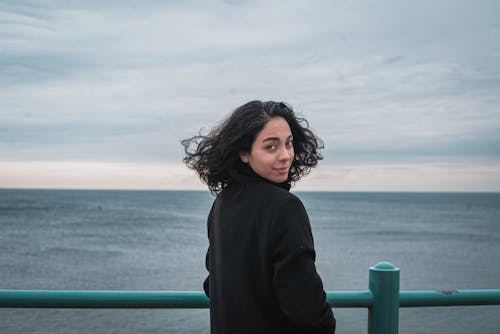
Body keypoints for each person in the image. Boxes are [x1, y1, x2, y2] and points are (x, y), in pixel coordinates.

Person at [182, 100, 335, 334]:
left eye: (289, 144)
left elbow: (212, 285)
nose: (285, 155)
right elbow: (306, 307)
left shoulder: (222, 203)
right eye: (271, 147)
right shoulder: (285, 207)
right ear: (244, 152)